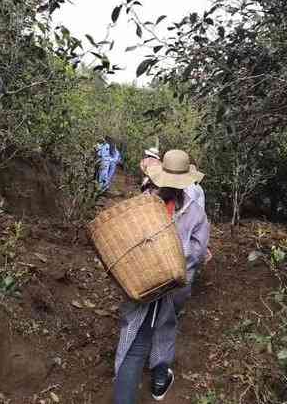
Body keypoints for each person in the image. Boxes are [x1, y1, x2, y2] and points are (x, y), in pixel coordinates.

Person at [114, 149, 210, 404]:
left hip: (141, 280)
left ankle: (125, 395)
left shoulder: (143, 203)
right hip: (176, 283)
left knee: (135, 337)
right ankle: (159, 376)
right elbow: (198, 253)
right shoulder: (195, 212)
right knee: (166, 324)